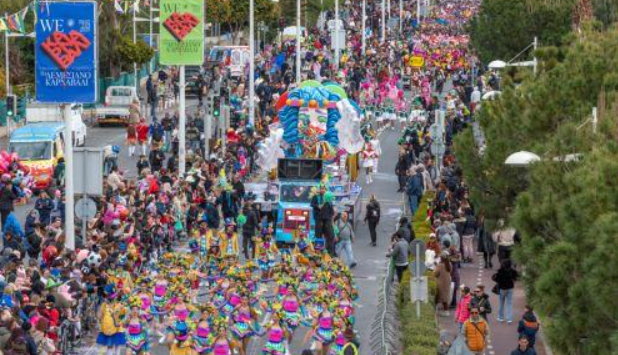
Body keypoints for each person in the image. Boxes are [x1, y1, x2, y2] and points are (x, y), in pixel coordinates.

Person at [310, 185, 336, 257]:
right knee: (318, 236)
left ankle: (330, 254)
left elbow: (331, 210)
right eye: (321, 188)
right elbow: (312, 204)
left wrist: (332, 216)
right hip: (319, 219)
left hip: (327, 219)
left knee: (331, 235)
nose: (322, 190)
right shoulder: (315, 197)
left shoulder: (328, 198)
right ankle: (318, 253)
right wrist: (318, 206)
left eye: (324, 189)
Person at [492, 259, 519, 323]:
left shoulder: (500, 271)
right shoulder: (512, 271)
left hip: (502, 289)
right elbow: (517, 277)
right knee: (509, 304)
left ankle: (500, 317)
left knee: (501, 303)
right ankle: (509, 318)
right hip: (510, 289)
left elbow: (496, 279)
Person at [434, 252, 452, 316]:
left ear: (441, 258)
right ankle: (446, 311)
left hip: (440, 283)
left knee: (437, 296)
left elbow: (436, 274)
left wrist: (436, 265)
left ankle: (436, 311)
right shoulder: (449, 264)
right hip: (447, 283)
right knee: (445, 297)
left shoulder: (440, 265)